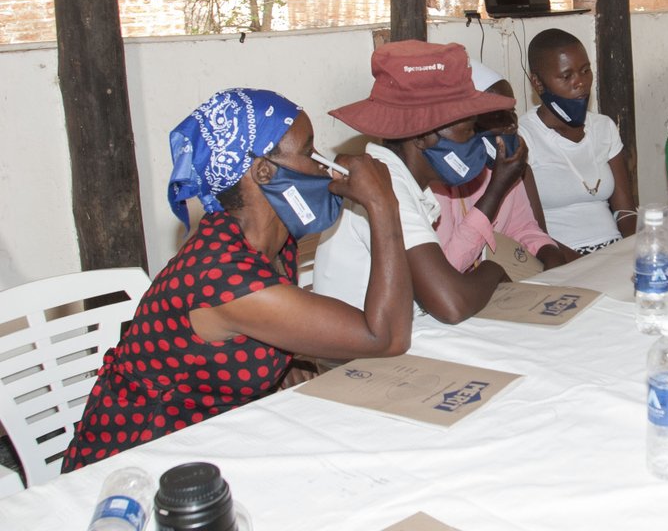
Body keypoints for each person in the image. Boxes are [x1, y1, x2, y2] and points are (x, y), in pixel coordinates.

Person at [63, 88, 412, 470]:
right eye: (309, 152)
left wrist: (282, 365)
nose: (323, 166)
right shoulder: (227, 277)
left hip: (207, 444)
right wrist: (383, 203)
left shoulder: (262, 242)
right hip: (134, 464)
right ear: (264, 172)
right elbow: (385, 337)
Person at [315, 41, 514, 323]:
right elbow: (451, 303)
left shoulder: (400, 180)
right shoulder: (384, 185)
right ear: (422, 136)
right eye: (468, 130)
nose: (476, 141)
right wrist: (493, 271)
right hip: (360, 347)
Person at [432, 60, 565, 272]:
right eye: (497, 115)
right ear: (467, 123)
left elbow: (522, 227)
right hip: (463, 286)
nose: (512, 124)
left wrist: (548, 251)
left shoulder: (502, 165)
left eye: (512, 112)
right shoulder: (437, 182)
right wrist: (496, 190)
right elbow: (448, 268)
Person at [519, 29, 636, 258]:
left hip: (614, 250)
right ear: (538, 83)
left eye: (585, 71)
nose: (581, 83)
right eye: (566, 76)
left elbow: (626, 212)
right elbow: (534, 232)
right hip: (560, 257)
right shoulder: (523, 137)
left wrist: (635, 250)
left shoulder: (603, 127)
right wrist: (586, 265)